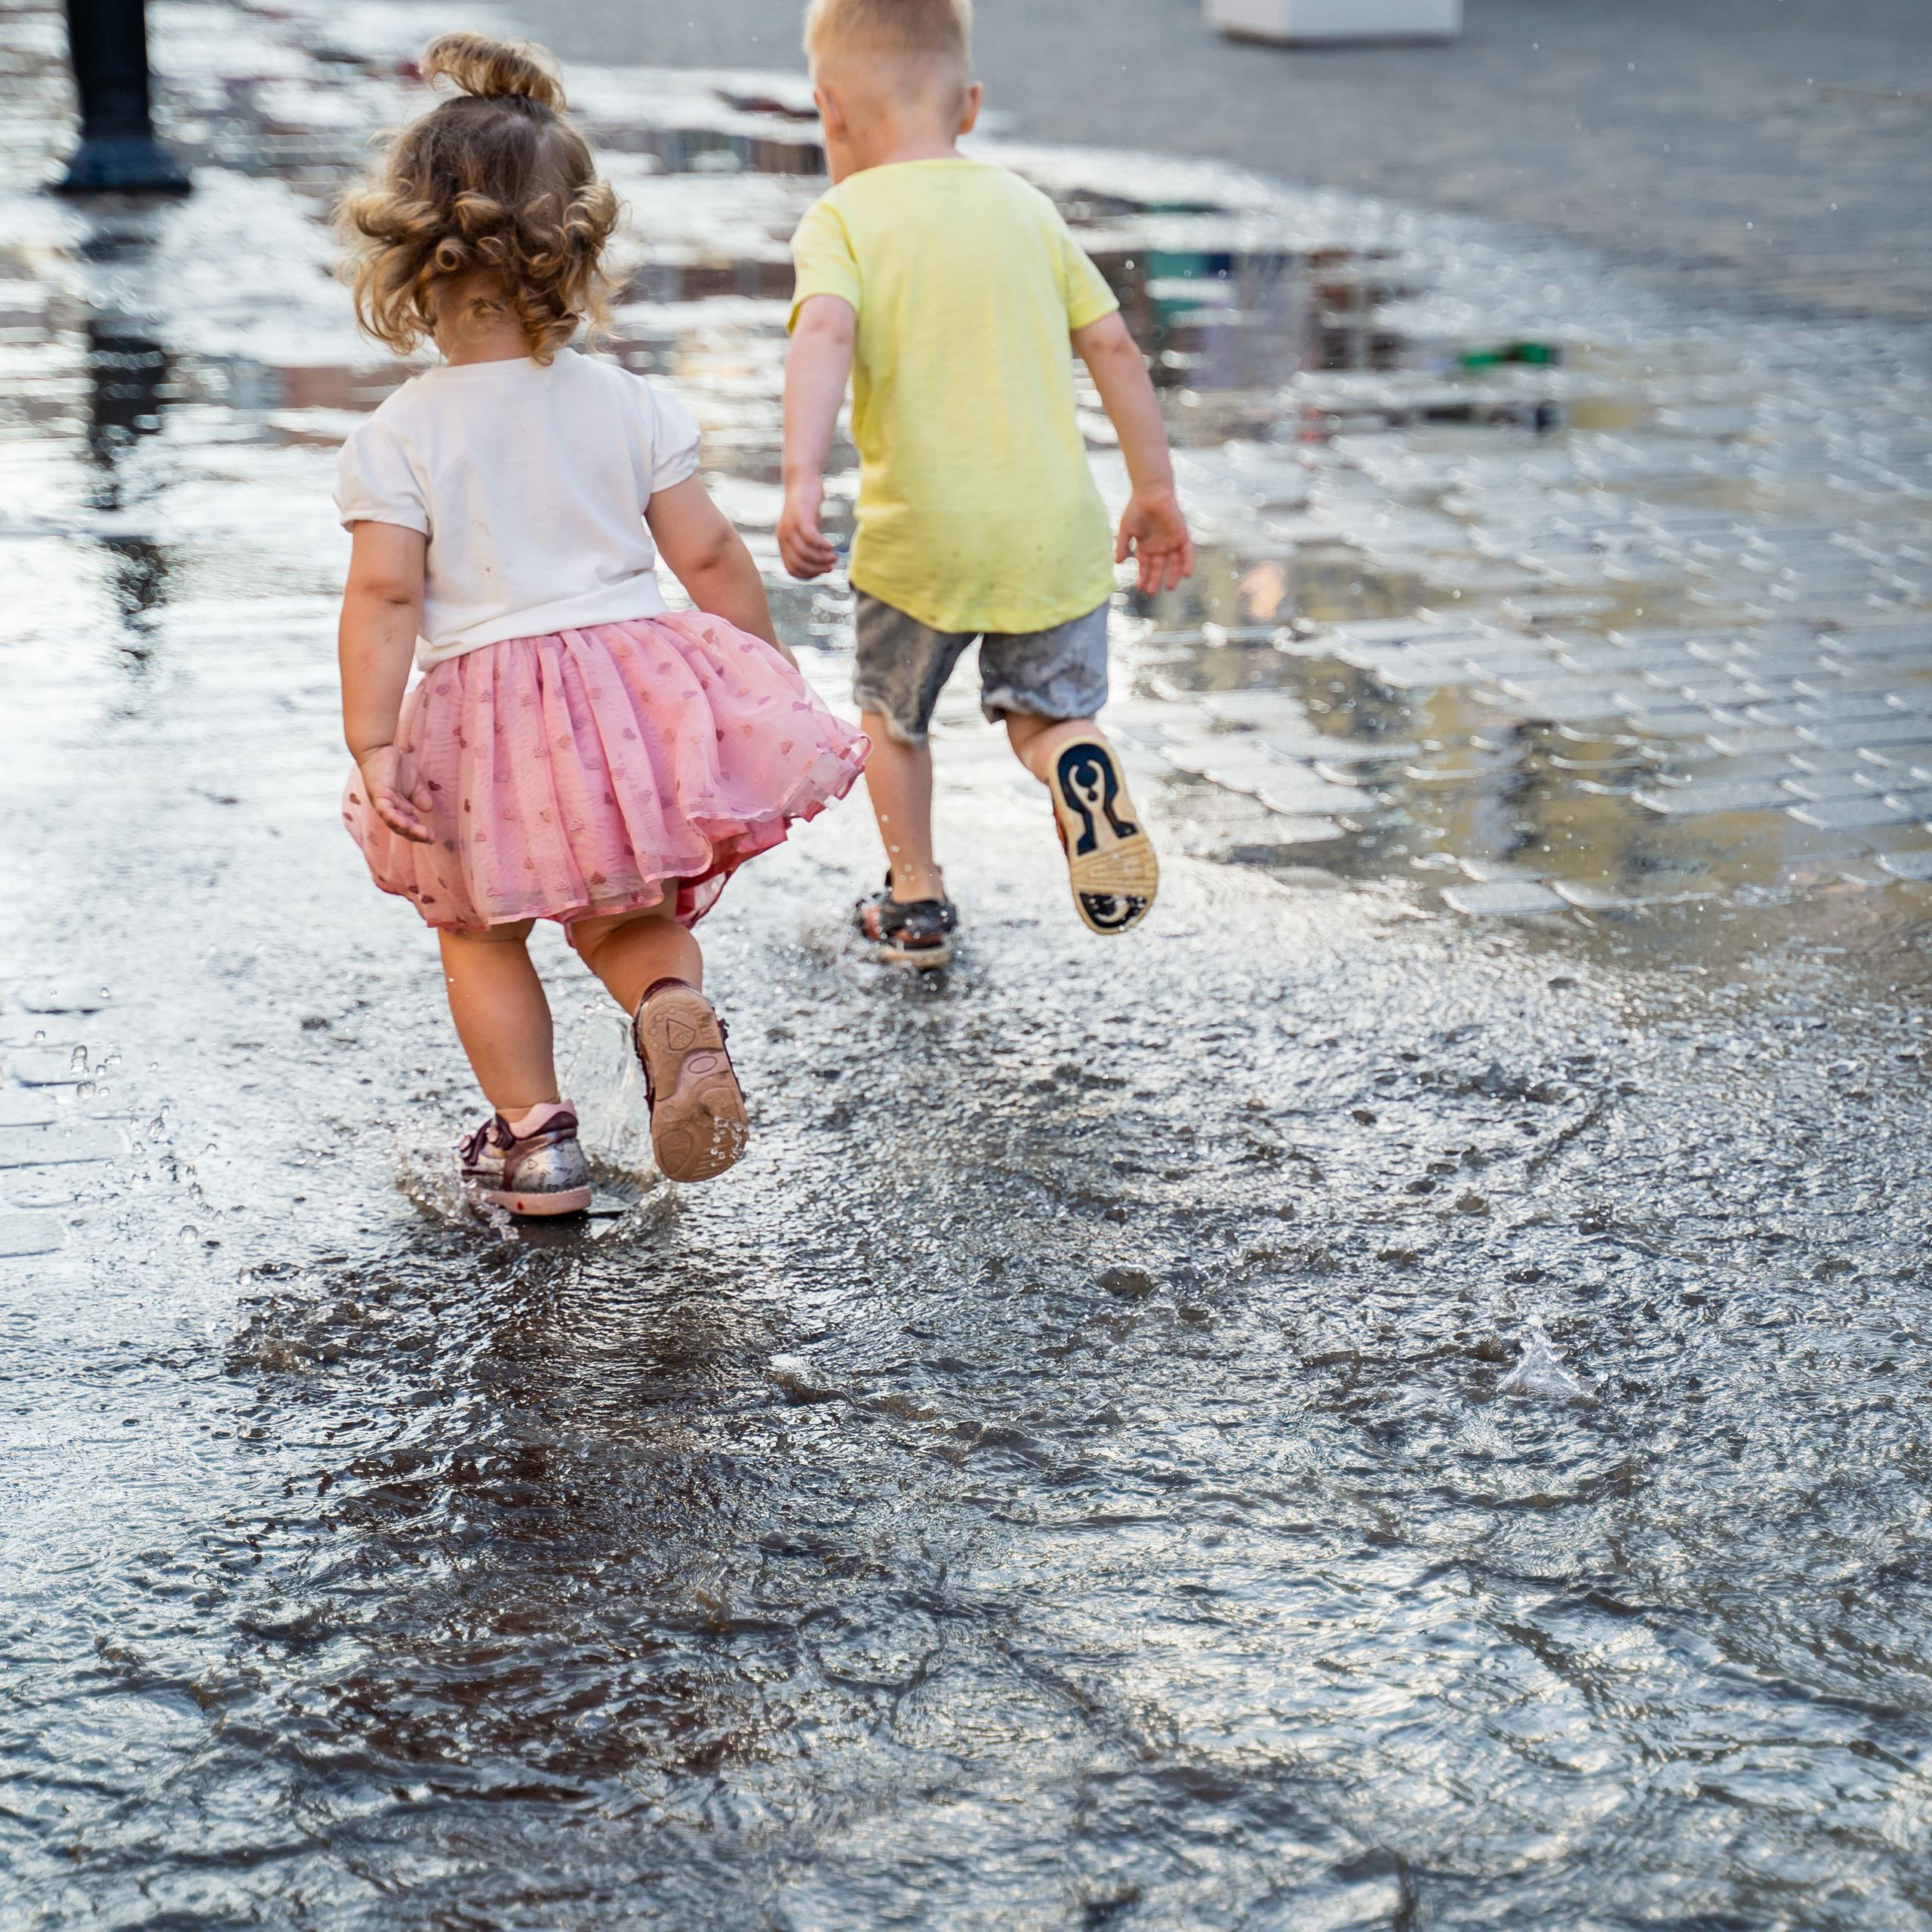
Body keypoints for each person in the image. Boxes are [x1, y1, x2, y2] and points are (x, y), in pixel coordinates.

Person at [333, 33, 867, 1211]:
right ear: (574, 251)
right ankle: (674, 1015)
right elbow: (710, 554)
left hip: (484, 716)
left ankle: (534, 1142)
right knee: (633, 910)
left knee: (481, 931)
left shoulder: (401, 436)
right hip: (628, 701)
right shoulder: (629, 402)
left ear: (412, 258)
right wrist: (763, 676)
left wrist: (374, 743)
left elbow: (384, 593)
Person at [777, 0, 1194, 971]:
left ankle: (915, 897)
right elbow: (1113, 346)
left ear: (827, 111)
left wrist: (800, 477)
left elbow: (824, 335)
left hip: (921, 539)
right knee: (1047, 715)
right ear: (968, 105)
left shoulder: (842, 217)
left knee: (894, 719)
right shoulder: (1025, 206)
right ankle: (1072, 763)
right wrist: (1155, 488)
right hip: (1051, 533)